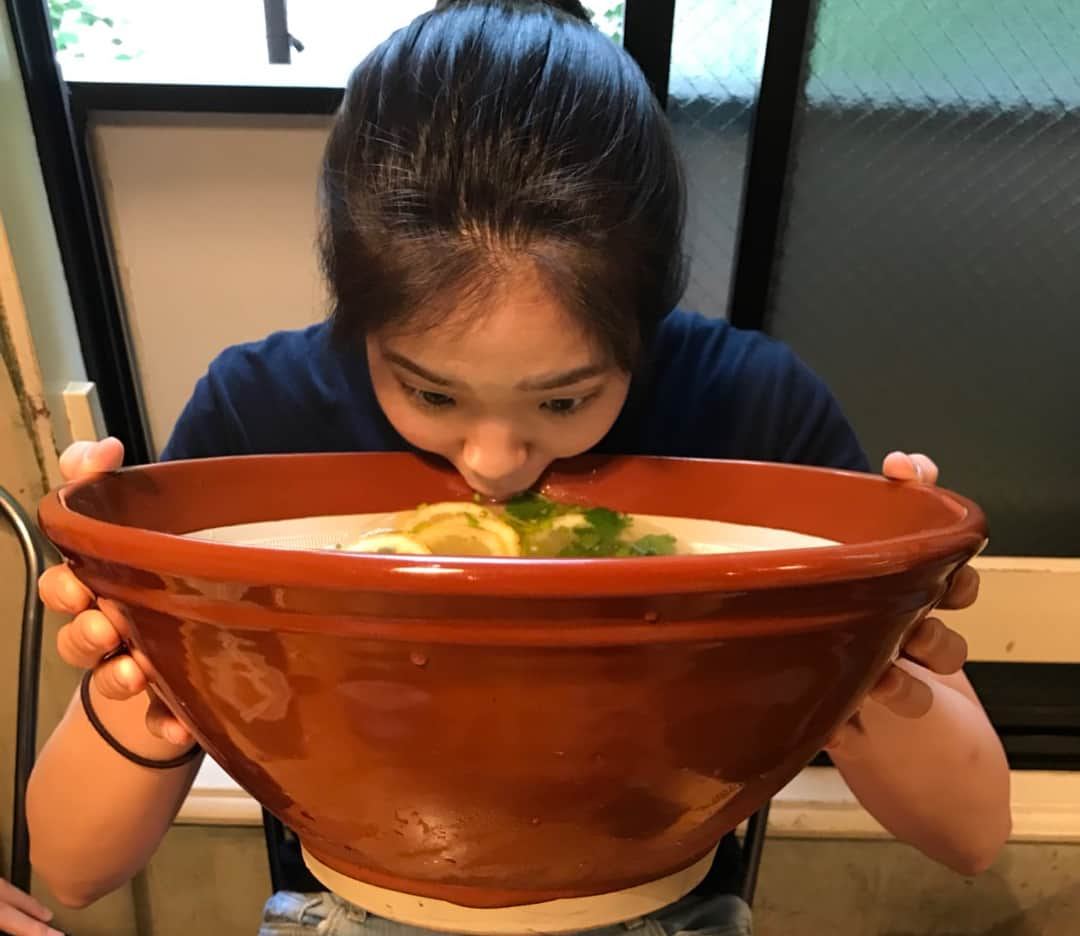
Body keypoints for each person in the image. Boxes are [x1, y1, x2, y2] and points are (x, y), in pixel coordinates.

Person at [28, 1, 1011, 933]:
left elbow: (970, 835)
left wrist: (880, 617)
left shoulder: (749, 412)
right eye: (432, 395)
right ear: (356, 311)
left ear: (644, 324)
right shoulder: (263, 415)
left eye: (565, 402)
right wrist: (132, 640)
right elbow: (72, 868)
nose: (494, 464)